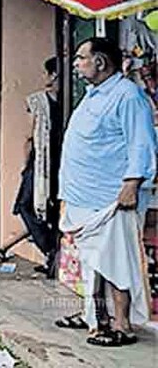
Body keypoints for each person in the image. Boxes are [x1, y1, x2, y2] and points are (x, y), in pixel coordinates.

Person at [55, 37, 156, 347]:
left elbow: (142, 143)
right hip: (82, 196)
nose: (75, 63)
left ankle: (122, 325)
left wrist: (131, 184)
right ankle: (96, 318)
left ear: (100, 62)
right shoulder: (93, 95)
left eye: (81, 57)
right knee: (92, 264)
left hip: (111, 198)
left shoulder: (128, 96)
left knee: (116, 263)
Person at [14, 57, 63, 278]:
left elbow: (28, 136)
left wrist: (26, 165)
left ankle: (52, 252)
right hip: (62, 162)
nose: (45, 78)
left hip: (41, 163)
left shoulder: (37, 101)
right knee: (52, 211)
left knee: (25, 205)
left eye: (47, 73)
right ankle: (53, 255)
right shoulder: (74, 99)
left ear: (53, 75)